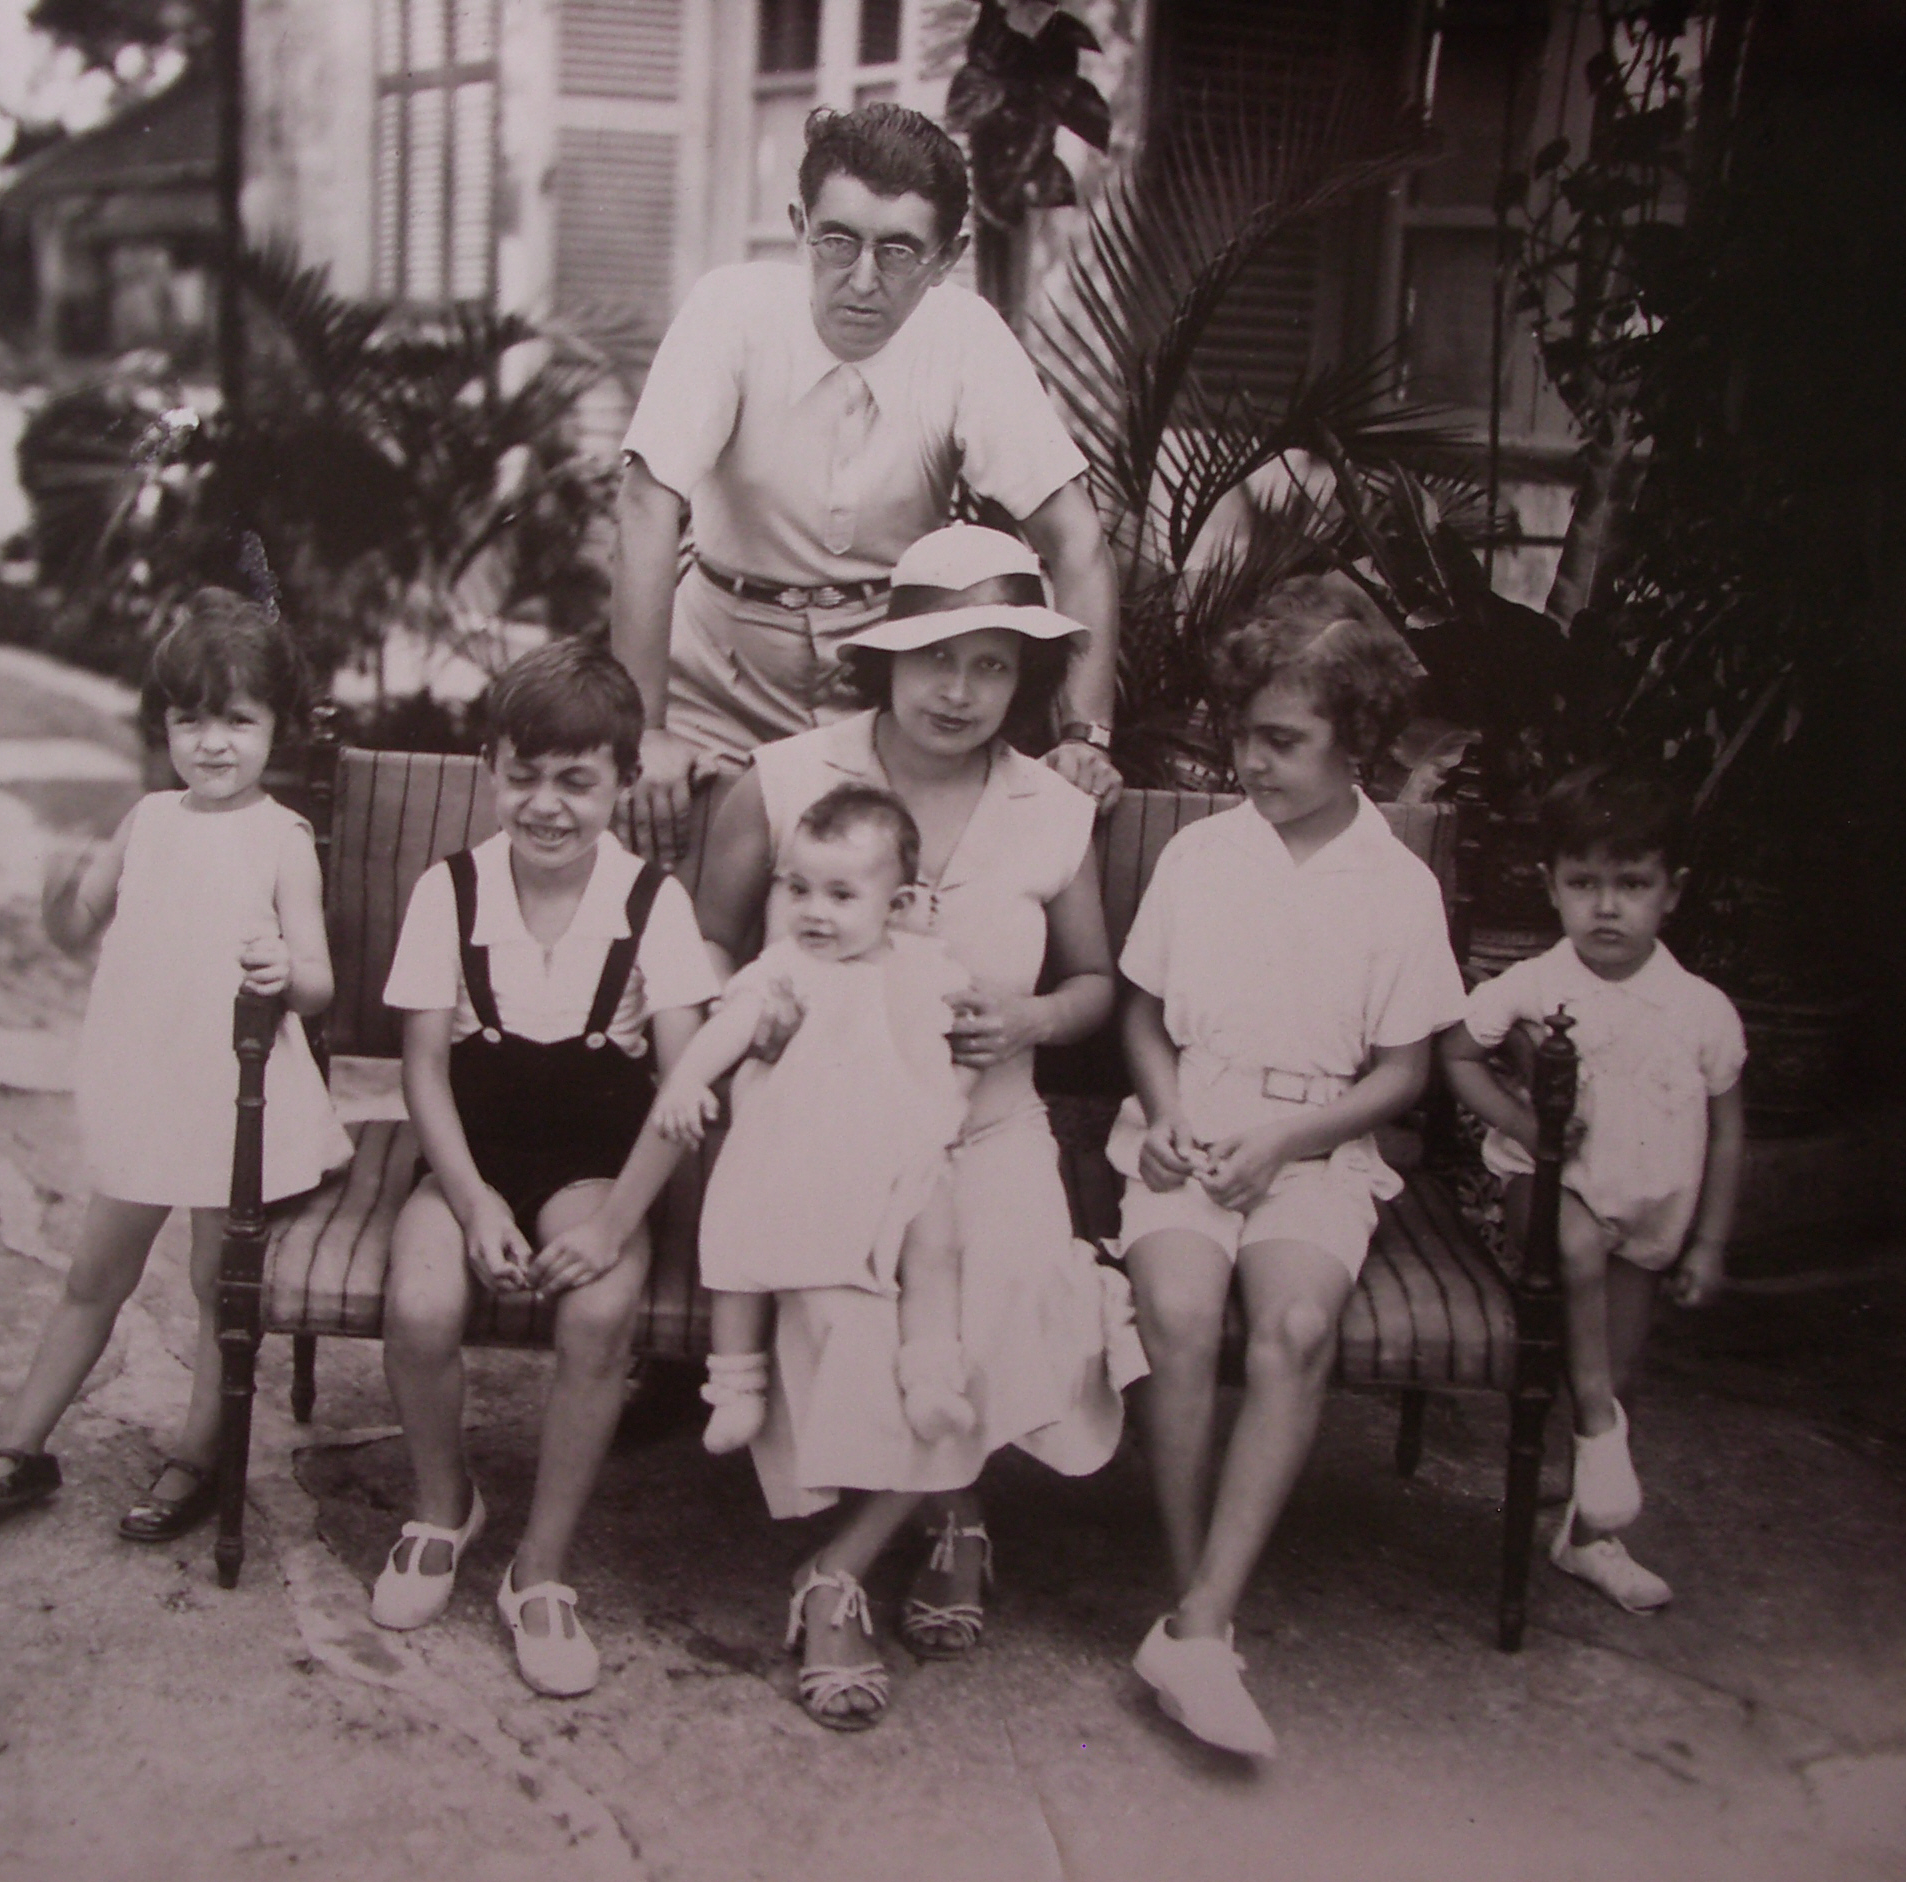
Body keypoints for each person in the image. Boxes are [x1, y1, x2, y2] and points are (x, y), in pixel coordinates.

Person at [690, 523, 1139, 1729]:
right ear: (882, 660)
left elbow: (1094, 984)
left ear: (1024, 680)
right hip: (817, 1140)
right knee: (853, 1306)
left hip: (985, 1130)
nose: (960, 691)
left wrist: (1034, 1013)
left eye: (993, 665)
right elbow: (697, 951)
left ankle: (844, 1561)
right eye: (936, 658)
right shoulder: (784, 780)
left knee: (1018, 1276)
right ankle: (948, 1512)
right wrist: (752, 1037)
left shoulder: (1049, 809)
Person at [1112, 575, 1467, 1758]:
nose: (1250, 761)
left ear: (1354, 740)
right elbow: (1144, 1015)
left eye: (1283, 740)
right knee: (1171, 1304)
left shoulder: (1399, 886)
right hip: (1193, 1120)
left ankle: (1201, 1622)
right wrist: (1164, 1116)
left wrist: (1287, 1141)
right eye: (1241, 734)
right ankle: (1191, 1612)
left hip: (1314, 1144)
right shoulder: (1202, 857)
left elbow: (1404, 1073)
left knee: (1293, 1331)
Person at [613, 102, 1124, 851]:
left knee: (881, 918)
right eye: (836, 241)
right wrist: (644, 729)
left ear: (946, 259)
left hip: (883, 687)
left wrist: (1087, 735)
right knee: (672, 895)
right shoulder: (730, 310)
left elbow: (1077, 542)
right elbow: (645, 504)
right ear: (798, 226)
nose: (860, 280)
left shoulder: (966, 337)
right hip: (710, 677)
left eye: (896, 252)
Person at [0, 588, 348, 1543]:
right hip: (151, 1083)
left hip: (237, 1090)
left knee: (219, 1286)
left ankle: (197, 1458)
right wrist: (54, 896)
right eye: (191, 719)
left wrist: (285, 970)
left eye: (239, 721)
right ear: (163, 725)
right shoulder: (147, 821)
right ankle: (20, 1447)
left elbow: (321, 982)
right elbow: (77, 927)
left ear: (276, 729)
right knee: (94, 1272)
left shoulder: (282, 839)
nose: (214, 743)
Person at [372, 639, 720, 1697]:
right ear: (491, 770)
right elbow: (424, 1068)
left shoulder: (652, 902)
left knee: (600, 1311)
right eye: (523, 775)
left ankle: (542, 1567)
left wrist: (616, 1222)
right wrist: (472, 1201)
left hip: (595, 1166)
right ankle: (443, 1503)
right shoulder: (452, 888)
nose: (547, 805)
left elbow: (682, 1083)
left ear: (621, 781)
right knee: (423, 1303)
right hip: (473, 1156)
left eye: (577, 780)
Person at [1441, 762, 1746, 1615]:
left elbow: (1727, 1132)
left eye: (1631, 884)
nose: (1605, 907)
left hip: (1647, 1217)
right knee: (1572, 1244)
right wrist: (1522, 1119)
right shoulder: (1539, 983)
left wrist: (1710, 1241)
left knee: (1622, 1368)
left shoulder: (1701, 1010)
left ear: (1670, 892)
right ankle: (1594, 1433)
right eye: (1582, 884)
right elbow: (1456, 1051)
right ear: (1551, 887)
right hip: (1545, 1190)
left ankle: (1587, 1537)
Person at [652, 783, 983, 1454]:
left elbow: (960, 1038)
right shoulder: (786, 968)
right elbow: (733, 1025)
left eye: (840, 895)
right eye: (796, 889)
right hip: (791, 1153)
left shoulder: (925, 964)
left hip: (891, 1155)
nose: (813, 912)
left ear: (893, 907)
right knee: (734, 1245)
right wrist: (686, 1075)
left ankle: (929, 1374)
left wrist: (945, 1109)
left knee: (934, 1238)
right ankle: (736, 1385)